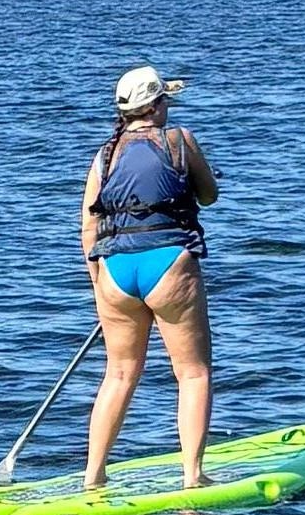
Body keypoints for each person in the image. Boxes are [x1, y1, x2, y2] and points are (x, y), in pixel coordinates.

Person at [76, 60, 222, 492]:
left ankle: (93, 475)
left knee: (119, 373)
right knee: (193, 373)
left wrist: (97, 282)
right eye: (165, 101)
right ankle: (192, 476)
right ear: (155, 106)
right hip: (168, 264)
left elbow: (89, 227)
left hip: (114, 270)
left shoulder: (103, 155)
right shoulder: (179, 141)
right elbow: (209, 196)